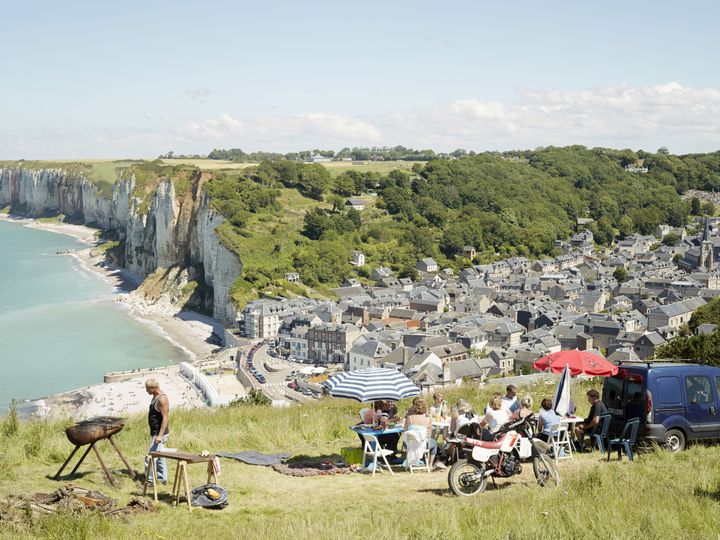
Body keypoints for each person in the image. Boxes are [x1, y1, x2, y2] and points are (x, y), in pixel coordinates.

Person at [404, 398, 445, 469]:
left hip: (409, 444)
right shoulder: (428, 419)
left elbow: (405, 431)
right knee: (434, 443)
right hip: (422, 444)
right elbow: (429, 435)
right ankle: (430, 465)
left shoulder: (409, 418)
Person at [144, 378, 170, 485]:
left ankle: (150, 481)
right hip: (156, 432)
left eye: (148, 389)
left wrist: (159, 436)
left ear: (154, 388)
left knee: (149, 457)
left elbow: (165, 418)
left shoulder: (162, 399)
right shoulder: (155, 397)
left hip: (159, 434)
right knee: (160, 456)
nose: (146, 391)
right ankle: (162, 479)